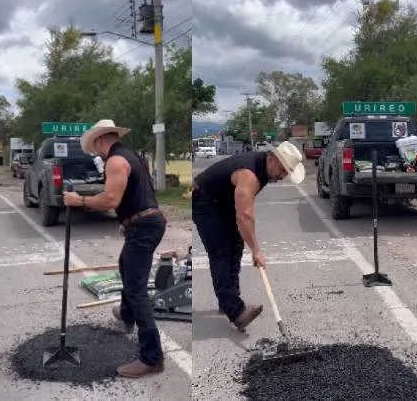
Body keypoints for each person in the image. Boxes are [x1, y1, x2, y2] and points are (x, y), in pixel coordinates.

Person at [63, 119, 167, 379]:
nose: (96, 151)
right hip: (145, 222)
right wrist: (127, 220)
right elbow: (139, 192)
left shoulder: (115, 161)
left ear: (100, 140)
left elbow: (111, 199)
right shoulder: (133, 156)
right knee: (125, 266)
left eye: (95, 146)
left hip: (144, 226)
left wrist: (80, 200)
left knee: (136, 289)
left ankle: (152, 358)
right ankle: (126, 313)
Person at [192, 141, 304, 332]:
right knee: (221, 252)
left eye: (287, 173)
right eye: (283, 170)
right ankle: (236, 312)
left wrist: (248, 243)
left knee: (235, 246)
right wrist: (256, 250)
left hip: (223, 203)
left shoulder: (265, 169)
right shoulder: (249, 174)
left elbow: (243, 213)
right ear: (272, 158)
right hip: (204, 201)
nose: (282, 176)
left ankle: (228, 300)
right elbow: (245, 216)